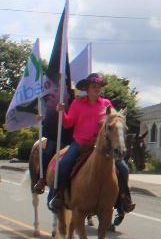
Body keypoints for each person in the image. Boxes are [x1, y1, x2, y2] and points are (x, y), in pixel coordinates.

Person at [47, 73, 135, 213]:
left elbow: (113, 121)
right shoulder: (77, 103)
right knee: (63, 164)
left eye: (99, 87)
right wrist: (61, 113)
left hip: (101, 145)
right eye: (94, 86)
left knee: (123, 168)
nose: (97, 89)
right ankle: (56, 195)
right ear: (86, 88)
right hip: (80, 144)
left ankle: (124, 199)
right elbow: (68, 123)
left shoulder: (106, 104)